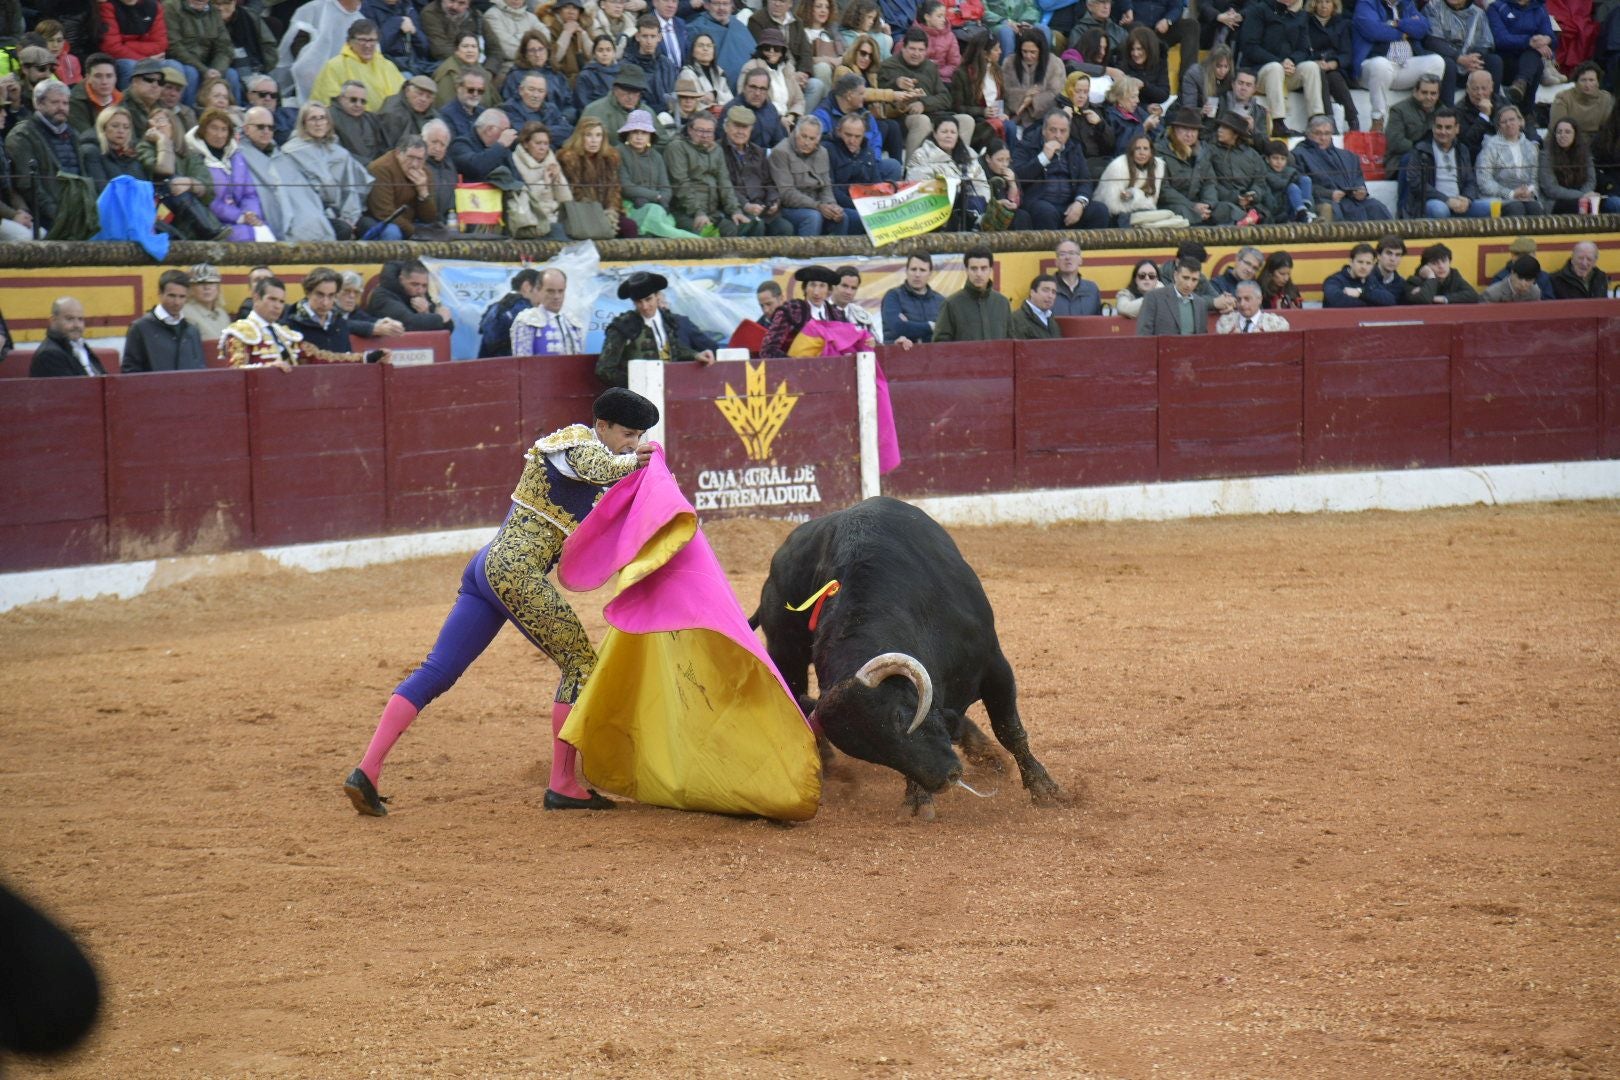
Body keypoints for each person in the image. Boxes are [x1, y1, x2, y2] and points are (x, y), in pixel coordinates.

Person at [344, 387, 661, 816]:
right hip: (514, 571)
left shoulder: (607, 464)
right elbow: (596, 465)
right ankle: (563, 784)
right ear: (601, 425)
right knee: (581, 664)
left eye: (640, 436)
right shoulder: (574, 444)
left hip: (488, 569)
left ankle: (366, 771)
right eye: (628, 433)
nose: (634, 443)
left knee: (439, 669)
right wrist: (632, 462)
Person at [223, 275, 390, 369]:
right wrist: (267, 369)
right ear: (256, 298)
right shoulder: (239, 332)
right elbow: (236, 371)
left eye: (281, 301)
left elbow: (321, 357)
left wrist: (366, 357)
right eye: (272, 299)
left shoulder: (285, 334)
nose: (277, 306)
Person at [596, 272, 716, 386]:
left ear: (657, 296)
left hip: (670, 388)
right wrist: (635, 383)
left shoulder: (667, 319)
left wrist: (696, 355)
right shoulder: (623, 326)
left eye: (648, 299)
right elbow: (604, 369)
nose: (645, 306)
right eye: (638, 302)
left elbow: (672, 348)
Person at [283, 101, 375, 239]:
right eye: (313, 118)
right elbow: (298, 196)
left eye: (322, 118)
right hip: (312, 215)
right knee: (342, 230)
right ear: (304, 123)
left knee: (372, 227)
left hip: (342, 212)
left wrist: (349, 218)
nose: (318, 123)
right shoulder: (290, 152)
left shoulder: (339, 153)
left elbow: (350, 190)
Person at [1353, 0, 1448, 132]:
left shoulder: (1407, 4)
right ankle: (1378, 120)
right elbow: (1373, 30)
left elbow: (1422, 28)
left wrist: (1395, 23)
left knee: (1437, 61)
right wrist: (1404, 32)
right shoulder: (1367, 3)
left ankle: (1424, 112)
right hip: (1373, 69)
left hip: (1404, 66)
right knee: (1380, 64)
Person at [1011, 108, 1111, 230]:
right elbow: (1018, 176)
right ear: (1043, 131)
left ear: (1069, 132)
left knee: (1100, 210)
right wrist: (1043, 157)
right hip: (1040, 202)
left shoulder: (1074, 148)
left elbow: (1084, 180)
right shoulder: (1027, 145)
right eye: (1053, 130)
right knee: (1045, 212)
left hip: (1069, 203)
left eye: (1063, 131)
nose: (1058, 135)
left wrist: (1079, 203)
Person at [666, 110, 758, 235]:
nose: (705, 135)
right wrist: (698, 213)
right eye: (700, 130)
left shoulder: (716, 150)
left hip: (712, 212)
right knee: (716, 232)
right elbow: (681, 184)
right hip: (684, 211)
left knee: (752, 224)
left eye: (709, 131)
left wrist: (735, 210)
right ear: (690, 130)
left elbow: (724, 183)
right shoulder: (677, 147)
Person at [1240, 0, 1325, 136]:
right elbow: (1250, 47)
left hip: (1287, 71)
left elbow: (1304, 49)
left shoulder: (1300, 16)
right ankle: (1278, 123)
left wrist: (1292, 60)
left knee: (1311, 67)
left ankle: (1316, 121)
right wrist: (1279, 62)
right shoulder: (1258, 10)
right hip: (1260, 73)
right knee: (1275, 68)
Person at [6, 80, 81, 233]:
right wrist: (58, 216)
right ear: (38, 104)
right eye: (55, 102)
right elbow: (28, 186)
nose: (61, 107)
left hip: (76, 214)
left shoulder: (73, 135)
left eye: (65, 103)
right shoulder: (22, 135)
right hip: (44, 219)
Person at [188, 106, 271, 240]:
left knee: (266, 235)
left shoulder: (236, 157)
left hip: (244, 220)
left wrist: (251, 214)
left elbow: (249, 193)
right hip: (213, 225)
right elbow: (207, 200)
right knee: (247, 238)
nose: (219, 134)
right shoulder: (194, 158)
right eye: (214, 128)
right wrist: (239, 217)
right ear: (204, 130)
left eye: (224, 129)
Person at [1292, 113, 1391, 220]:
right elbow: (1302, 184)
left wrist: (1361, 191)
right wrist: (1330, 194)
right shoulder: (1299, 154)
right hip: (1325, 200)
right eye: (1318, 133)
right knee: (1335, 212)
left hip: (1353, 200)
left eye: (1327, 133)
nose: (1323, 138)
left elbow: (1358, 179)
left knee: (1376, 207)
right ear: (1308, 134)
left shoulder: (1348, 156)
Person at [1403, 106, 1490, 218]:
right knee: (1440, 210)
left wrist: (1467, 199)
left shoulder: (1462, 150)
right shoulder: (1421, 150)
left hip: (1460, 201)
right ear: (1433, 128)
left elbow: (1470, 181)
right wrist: (1447, 200)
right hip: (1434, 201)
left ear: (1457, 129)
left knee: (1490, 207)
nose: (1443, 132)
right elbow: (1416, 183)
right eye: (1439, 127)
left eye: (1448, 127)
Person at [721, 105, 795, 236]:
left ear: (751, 130)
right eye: (736, 126)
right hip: (734, 210)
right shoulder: (718, 151)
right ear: (726, 126)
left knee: (785, 228)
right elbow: (723, 186)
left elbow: (769, 182)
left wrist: (773, 201)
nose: (740, 131)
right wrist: (745, 205)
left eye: (745, 127)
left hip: (762, 209)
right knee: (756, 226)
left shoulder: (758, 152)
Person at [558, 115, 634, 238]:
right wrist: (597, 215)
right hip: (582, 213)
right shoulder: (569, 159)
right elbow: (575, 193)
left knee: (629, 226)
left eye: (598, 135)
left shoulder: (610, 158)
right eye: (589, 135)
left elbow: (614, 191)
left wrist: (611, 212)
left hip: (607, 211)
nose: (594, 140)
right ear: (580, 137)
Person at [769, 116, 846, 235]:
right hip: (789, 208)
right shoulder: (781, 152)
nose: (806, 142)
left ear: (818, 139)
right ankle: (806, 253)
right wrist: (818, 206)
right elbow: (786, 193)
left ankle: (835, 253)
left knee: (841, 216)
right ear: (796, 133)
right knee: (813, 217)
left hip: (817, 204)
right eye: (803, 136)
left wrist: (832, 206)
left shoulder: (822, 152)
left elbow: (826, 187)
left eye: (812, 138)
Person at [1096, 134, 1187, 228]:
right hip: (1119, 216)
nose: (1142, 153)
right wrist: (1134, 197)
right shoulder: (1118, 166)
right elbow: (1113, 207)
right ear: (1131, 151)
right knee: (1164, 219)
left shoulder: (1158, 166)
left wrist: (1135, 195)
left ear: (1151, 151)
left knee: (1176, 219)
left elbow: (1153, 201)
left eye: (1145, 148)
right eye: (1137, 148)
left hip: (1145, 211)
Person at [311, 19, 405, 111]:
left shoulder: (387, 65)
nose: (368, 45)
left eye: (372, 40)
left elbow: (402, 97)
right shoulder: (334, 66)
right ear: (349, 42)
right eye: (362, 40)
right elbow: (329, 105)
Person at [1421, 0, 1502, 99]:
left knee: (1494, 61)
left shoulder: (1478, 13)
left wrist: (1474, 60)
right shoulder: (1433, 7)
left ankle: (1494, 105)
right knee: (1448, 63)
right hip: (1448, 60)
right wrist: (1459, 58)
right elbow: (1432, 41)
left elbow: (1485, 42)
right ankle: (1448, 110)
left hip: (1470, 65)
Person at [761, 264, 847, 356]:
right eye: (812, 285)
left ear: (828, 290)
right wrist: (795, 364)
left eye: (822, 286)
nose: (816, 292)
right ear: (805, 288)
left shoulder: (837, 314)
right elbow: (768, 349)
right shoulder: (791, 309)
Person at [367, 133, 441, 238]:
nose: (414, 164)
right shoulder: (381, 168)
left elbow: (429, 218)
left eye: (419, 159)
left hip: (410, 222)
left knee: (440, 231)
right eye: (410, 157)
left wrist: (423, 192)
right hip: (379, 220)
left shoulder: (425, 172)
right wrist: (414, 232)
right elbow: (384, 213)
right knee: (392, 233)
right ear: (398, 153)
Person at [508, 121, 572, 240]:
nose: (543, 148)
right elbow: (520, 199)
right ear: (526, 144)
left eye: (546, 143)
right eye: (538, 143)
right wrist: (544, 183)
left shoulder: (551, 160)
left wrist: (558, 179)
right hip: (530, 220)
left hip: (555, 218)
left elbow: (566, 199)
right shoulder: (514, 161)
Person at [1474, 104, 1542, 215]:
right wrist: (1511, 194)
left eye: (1512, 120)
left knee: (1535, 208)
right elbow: (1484, 181)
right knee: (1516, 208)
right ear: (1499, 126)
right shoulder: (1490, 146)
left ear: (1520, 122)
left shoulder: (1530, 147)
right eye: (1504, 122)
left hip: (1526, 197)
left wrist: (1529, 193)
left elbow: (1534, 178)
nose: (1509, 124)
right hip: (1499, 198)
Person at [1485, 0, 1556, 107]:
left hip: (1529, 61)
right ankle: (1525, 108)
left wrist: (1547, 39)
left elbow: (1551, 37)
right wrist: (1529, 42)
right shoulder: (1496, 7)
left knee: (1535, 59)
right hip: (1505, 60)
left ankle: (1521, 84)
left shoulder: (1539, 7)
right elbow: (1500, 39)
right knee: (1534, 58)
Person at [934, 246, 1011, 342]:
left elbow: (1011, 341)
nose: (978, 274)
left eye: (983, 268)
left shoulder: (1002, 303)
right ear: (966, 270)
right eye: (974, 269)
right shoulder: (951, 304)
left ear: (991, 270)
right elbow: (940, 344)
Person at [1540, 119, 1616, 214]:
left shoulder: (1585, 154)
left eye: (1567, 132)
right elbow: (1551, 189)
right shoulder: (1546, 156)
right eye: (1559, 132)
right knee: (1583, 206)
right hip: (1557, 201)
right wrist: (1582, 196)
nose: (1562, 135)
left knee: (1610, 203)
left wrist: (1584, 197)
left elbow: (1591, 180)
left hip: (1585, 198)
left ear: (1575, 135)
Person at [282, 266, 366, 352]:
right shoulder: (290, 325)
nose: (325, 303)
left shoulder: (340, 323)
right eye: (320, 295)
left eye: (331, 296)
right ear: (308, 293)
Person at [1306, 0, 1359, 131]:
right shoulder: (1306, 22)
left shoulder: (1342, 23)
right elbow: (1302, 48)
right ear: (1314, 4)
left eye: (1328, 2)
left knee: (1334, 77)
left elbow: (1347, 53)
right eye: (1320, 2)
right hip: (1313, 66)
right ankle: (1330, 120)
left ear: (1334, 5)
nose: (1324, 6)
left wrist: (1333, 63)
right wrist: (1315, 62)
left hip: (1336, 68)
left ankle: (1353, 120)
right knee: (1321, 74)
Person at [511, 268, 587, 355]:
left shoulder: (572, 321)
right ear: (538, 290)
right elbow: (522, 362)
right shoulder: (527, 320)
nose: (556, 296)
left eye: (560, 291)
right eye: (550, 291)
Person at [29, 297, 105, 377]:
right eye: (70, 319)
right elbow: (71, 388)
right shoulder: (49, 355)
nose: (77, 325)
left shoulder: (80, 346)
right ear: (53, 321)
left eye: (80, 319)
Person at [478, 267, 542, 358]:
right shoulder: (524, 310)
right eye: (539, 289)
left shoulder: (495, 307)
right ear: (527, 286)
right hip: (511, 367)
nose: (542, 296)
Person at [881, 253, 944, 345]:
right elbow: (897, 327)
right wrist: (931, 326)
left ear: (930, 273)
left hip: (933, 356)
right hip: (900, 356)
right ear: (906, 271)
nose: (917, 274)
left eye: (922, 270)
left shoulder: (940, 301)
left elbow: (945, 333)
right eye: (913, 269)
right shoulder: (893, 296)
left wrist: (909, 326)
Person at [1137, 256, 1210, 335]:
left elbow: (1202, 339)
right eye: (1185, 278)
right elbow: (1144, 336)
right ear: (1175, 275)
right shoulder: (1154, 298)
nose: (1189, 284)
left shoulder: (1200, 304)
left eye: (1194, 280)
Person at [1322, 241, 1400, 306]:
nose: (1364, 267)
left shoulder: (1371, 280)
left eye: (1368, 263)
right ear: (1351, 262)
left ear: (1373, 265)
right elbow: (1337, 302)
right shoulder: (1334, 281)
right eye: (1360, 262)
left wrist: (1360, 293)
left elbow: (1390, 299)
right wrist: (1372, 302)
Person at [1550, 63, 1612, 141]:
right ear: (1576, 82)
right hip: (1568, 140)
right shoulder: (1563, 98)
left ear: (1598, 82)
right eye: (1583, 80)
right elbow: (1557, 129)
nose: (1587, 84)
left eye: (1591, 80)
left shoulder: (1605, 98)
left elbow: (1609, 128)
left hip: (1596, 141)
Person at [1405, 242, 1479, 304]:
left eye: (1444, 261)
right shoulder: (1414, 281)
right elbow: (1424, 299)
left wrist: (1444, 298)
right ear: (1425, 267)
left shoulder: (1454, 276)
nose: (1441, 266)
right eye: (1435, 263)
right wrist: (1431, 277)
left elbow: (1473, 295)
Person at [379, 74, 442, 146]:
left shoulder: (433, 115)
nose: (423, 99)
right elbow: (394, 148)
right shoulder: (392, 112)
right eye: (419, 94)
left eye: (428, 97)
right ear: (407, 91)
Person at [1487, 235, 1555, 299]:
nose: (1523, 259)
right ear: (1512, 256)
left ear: (1534, 255)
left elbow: (1549, 304)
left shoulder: (1543, 277)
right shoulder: (1500, 277)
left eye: (1527, 255)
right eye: (1518, 255)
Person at [832, 264, 883, 344]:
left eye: (853, 288)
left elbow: (877, 345)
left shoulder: (861, 314)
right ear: (833, 285)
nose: (848, 292)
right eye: (844, 286)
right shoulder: (820, 311)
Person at [181, 262, 232, 342]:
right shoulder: (185, 313)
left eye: (211, 282)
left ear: (218, 287)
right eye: (200, 283)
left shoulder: (222, 314)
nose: (207, 287)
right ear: (191, 288)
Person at [1216, 281, 1291, 332]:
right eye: (1239, 299)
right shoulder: (1225, 322)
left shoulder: (1276, 324)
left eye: (1247, 299)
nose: (1242, 304)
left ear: (1259, 299)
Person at [1009, 273, 1061, 339]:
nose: (1050, 296)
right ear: (1032, 293)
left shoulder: (1051, 319)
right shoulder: (1017, 319)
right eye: (1045, 290)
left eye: (1053, 292)